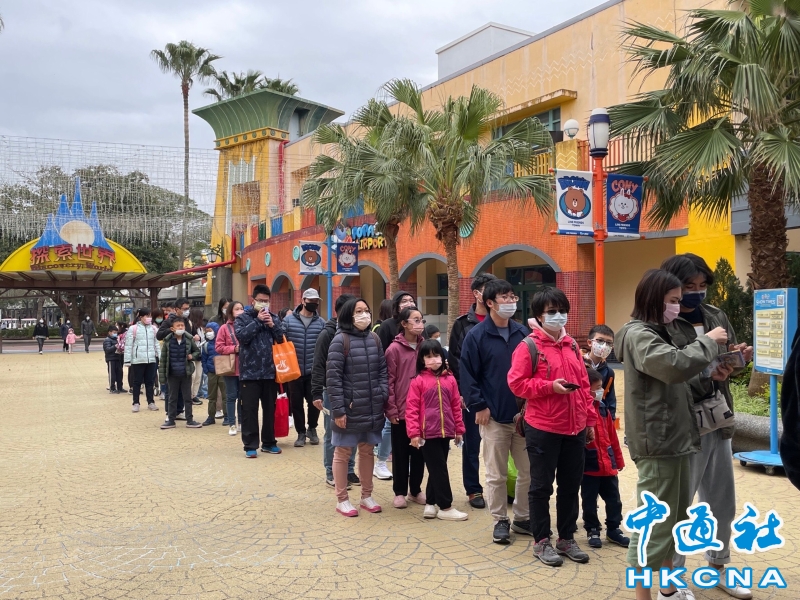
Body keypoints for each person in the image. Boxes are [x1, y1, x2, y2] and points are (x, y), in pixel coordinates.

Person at [616, 269, 728, 600]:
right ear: (655, 299)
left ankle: (667, 586)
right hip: (658, 441)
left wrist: (712, 372)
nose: (679, 307)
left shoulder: (658, 332)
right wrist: (708, 341)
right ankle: (642, 595)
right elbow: (672, 366)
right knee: (653, 524)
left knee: (674, 520)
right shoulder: (639, 335)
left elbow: (679, 377)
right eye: (674, 300)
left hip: (676, 438)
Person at [662, 254, 753, 600]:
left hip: (718, 418)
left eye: (702, 286)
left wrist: (736, 360)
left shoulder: (715, 314)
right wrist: (706, 373)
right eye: (689, 286)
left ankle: (718, 567)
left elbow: (725, 362)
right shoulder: (660, 324)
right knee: (680, 506)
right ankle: (672, 580)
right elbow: (668, 375)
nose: (696, 293)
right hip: (683, 425)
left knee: (721, 502)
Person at [507, 287, 595, 566]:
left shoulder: (572, 346)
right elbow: (517, 384)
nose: (559, 316)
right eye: (552, 311)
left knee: (570, 486)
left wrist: (589, 420)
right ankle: (541, 541)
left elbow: (584, 386)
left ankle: (566, 538)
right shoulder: (529, 346)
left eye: (562, 310)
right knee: (541, 487)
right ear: (539, 316)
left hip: (575, 428)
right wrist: (549, 387)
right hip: (543, 428)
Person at [461, 278, 531, 544]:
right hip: (493, 417)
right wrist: (478, 405)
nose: (511, 302)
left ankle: (523, 518)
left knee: (528, 472)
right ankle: (500, 520)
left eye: (513, 296)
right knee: (496, 474)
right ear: (489, 302)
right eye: (505, 297)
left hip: (524, 417)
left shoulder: (523, 333)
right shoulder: (476, 335)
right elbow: (468, 374)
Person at [326, 298, 388, 517]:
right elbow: (333, 379)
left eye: (366, 310)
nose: (364, 315)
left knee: (368, 450)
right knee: (343, 452)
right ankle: (342, 499)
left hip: (371, 406)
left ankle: (366, 496)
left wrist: (382, 393)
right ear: (348, 315)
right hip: (349, 408)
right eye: (359, 311)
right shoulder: (339, 340)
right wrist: (339, 409)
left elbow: (382, 370)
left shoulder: (374, 338)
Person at [448, 272, 496, 510]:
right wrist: (463, 392)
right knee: (472, 444)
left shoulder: (506, 322)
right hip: (472, 395)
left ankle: (504, 488)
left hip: (499, 394)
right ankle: (473, 489)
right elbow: (455, 361)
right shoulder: (462, 324)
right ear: (477, 293)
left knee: (502, 444)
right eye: (489, 288)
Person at [406, 339, 468, 521]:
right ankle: (446, 506)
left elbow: (456, 406)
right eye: (428, 356)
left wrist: (459, 429)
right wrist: (414, 433)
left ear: (442, 356)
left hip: (446, 431)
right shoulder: (418, 381)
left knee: (436, 468)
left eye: (436, 355)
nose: (433, 359)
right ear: (422, 359)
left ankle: (430, 503)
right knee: (439, 468)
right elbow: (411, 409)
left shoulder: (450, 379)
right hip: (427, 433)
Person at [311, 294, 358, 487]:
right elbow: (318, 364)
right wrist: (316, 392)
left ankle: (349, 470)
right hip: (331, 390)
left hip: (354, 391)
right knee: (333, 432)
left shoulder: (358, 333)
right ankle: (331, 471)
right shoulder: (328, 334)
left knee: (353, 430)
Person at [581, 367, 628, 550]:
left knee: (614, 499)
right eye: (598, 387)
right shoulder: (580, 410)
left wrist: (619, 460)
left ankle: (613, 529)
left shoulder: (603, 409)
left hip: (608, 464)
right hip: (589, 466)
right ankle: (592, 529)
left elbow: (612, 437)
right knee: (589, 501)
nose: (601, 390)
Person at [235, 284, 285, 457]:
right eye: (260, 301)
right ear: (253, 300)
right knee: (249, 410)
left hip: (270, 372)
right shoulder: (243, 318)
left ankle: (269, 442)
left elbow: (282, 338)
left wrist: (273, 326)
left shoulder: (274, 317)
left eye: (266, 301)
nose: (264, 304)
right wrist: (258, 321)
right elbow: (242, 337)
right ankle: (250, 445)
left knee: (270, 409)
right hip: (249, 373)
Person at [385, 307, 427, 508]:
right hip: (401, 411)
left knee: (419, 453)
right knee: (401, 454)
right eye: (415, 320)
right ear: (404, 323)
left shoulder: (425, 346)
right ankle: (399, 491)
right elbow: (389, 382)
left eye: (421, 320)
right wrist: (391, 409)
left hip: (422, 411)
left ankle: (415, 490)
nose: (420, 324)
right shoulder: (393, 349)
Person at [283, 288, 325, 447]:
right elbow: (281, 339)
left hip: (314, 371)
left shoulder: (321, 323)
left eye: (316, 301)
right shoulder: (288, 321)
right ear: (303, 301)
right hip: (294, 370)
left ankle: (312, 429)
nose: (313, 303)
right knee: (296, 403)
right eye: (310, 301)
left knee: (315, 402)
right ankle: (300, 432)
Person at [159, 317, 203, 429]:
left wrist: (192, 356)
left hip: (186, 374)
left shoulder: (189, 339)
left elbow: (197, 352)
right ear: (172, 328)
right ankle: (171, 420)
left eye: (182, 326)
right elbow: (163, 360)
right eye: (177, 326)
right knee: (172, 398)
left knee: (187, 398)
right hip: (172, 374)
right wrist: (162, 377)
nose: (180, 328)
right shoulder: (167, 341)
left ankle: (190, 420)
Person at [123, 308, 160, 413]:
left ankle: (151, 402)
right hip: (138, 359)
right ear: (141, 317)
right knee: (137, 382)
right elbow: (128, 345)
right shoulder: (133, 328)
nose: (149, 318)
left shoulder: (153, 328)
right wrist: (127, 360)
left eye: (150, 316)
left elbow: (157, 344)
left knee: (150, 382)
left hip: (151, 359)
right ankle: (136, 403)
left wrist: (160, 358)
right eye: (147, 316)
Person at [216, 301, 244, 437]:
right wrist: (234, 349)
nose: (240, 311)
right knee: (231, 396)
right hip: (230, 367)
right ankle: (232, 423)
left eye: (241, 308)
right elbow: (219, 347)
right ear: (231, 311)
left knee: (243, 397)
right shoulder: (224, 328)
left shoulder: (247, 326)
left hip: (246, 367)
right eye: (236, 309)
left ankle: (241, 423)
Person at [584, 324, 618, 421]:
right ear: (590, 342)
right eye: (600, 340)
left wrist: (611, 419)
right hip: (580, 414)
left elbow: (610, 399)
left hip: (599, 416)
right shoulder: (577, 365)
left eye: (609, 343)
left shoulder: (609, 372)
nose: (604, 345)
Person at [200, 322, 227, 426]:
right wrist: (206, 370)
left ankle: (227, 416)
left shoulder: (223, 343)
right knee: (211, 396)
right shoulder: (206, 345)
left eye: (210, 331)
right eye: (206, 331)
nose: (208, 333)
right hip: (211, 372)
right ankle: (211, 416)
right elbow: (203, 359)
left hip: (223, 372)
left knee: (225, 395)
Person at [189, 308, 206, 404]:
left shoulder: (200, 328)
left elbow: (202, 339)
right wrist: (193, 338)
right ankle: (189, 395)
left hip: (199, 354)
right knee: (192, 375)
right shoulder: (190, 326)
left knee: (198, 376)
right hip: (191, 353)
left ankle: (194, 395)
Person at [103, 325, 124, 394]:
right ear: (109, 332)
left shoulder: (117, 339)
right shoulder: (107, 340)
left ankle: (120, 387)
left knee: (120, 373)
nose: (115, 334)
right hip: (111, 359)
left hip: (118, 358)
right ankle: (112, 388)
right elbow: (107, 349)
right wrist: (115, 346)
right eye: (114, 332)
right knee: (112, 374)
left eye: (116, 332)